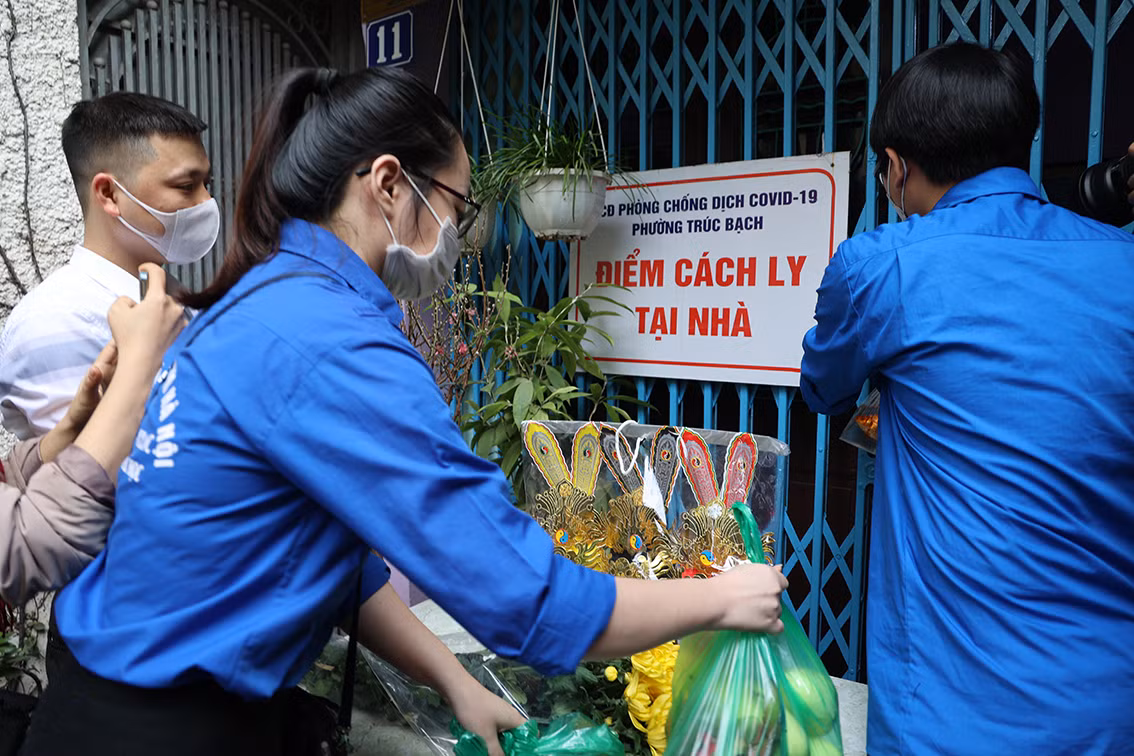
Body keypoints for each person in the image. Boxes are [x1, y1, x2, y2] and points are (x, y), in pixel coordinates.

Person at [20, 66, 790, 755]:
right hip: (161, 727)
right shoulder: (324, 340)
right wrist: (724, 595)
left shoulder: (260, 300)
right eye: (458, 202)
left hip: (118, 693)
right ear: (388, 184)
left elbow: (326, 556)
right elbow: (529, 603)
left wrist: (453, 681)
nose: (461, 233)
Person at [800, 43, 1134, 754]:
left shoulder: (884, 264)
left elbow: (823, 390)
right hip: (1112, 707)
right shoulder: (1122, 261)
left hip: (952, 718)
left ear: (893, 166)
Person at [0, 92, 216, 440]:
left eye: (208, 184)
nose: (207, 202)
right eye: (187, 186)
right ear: (109, 194)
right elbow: (87, 476)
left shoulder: (174, 299)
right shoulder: (54, 321)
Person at [0, 264, 185, 605]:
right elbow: (24, 544)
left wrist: (70, 428)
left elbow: (7, 485)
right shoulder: (50, 315)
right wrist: (139, 369)